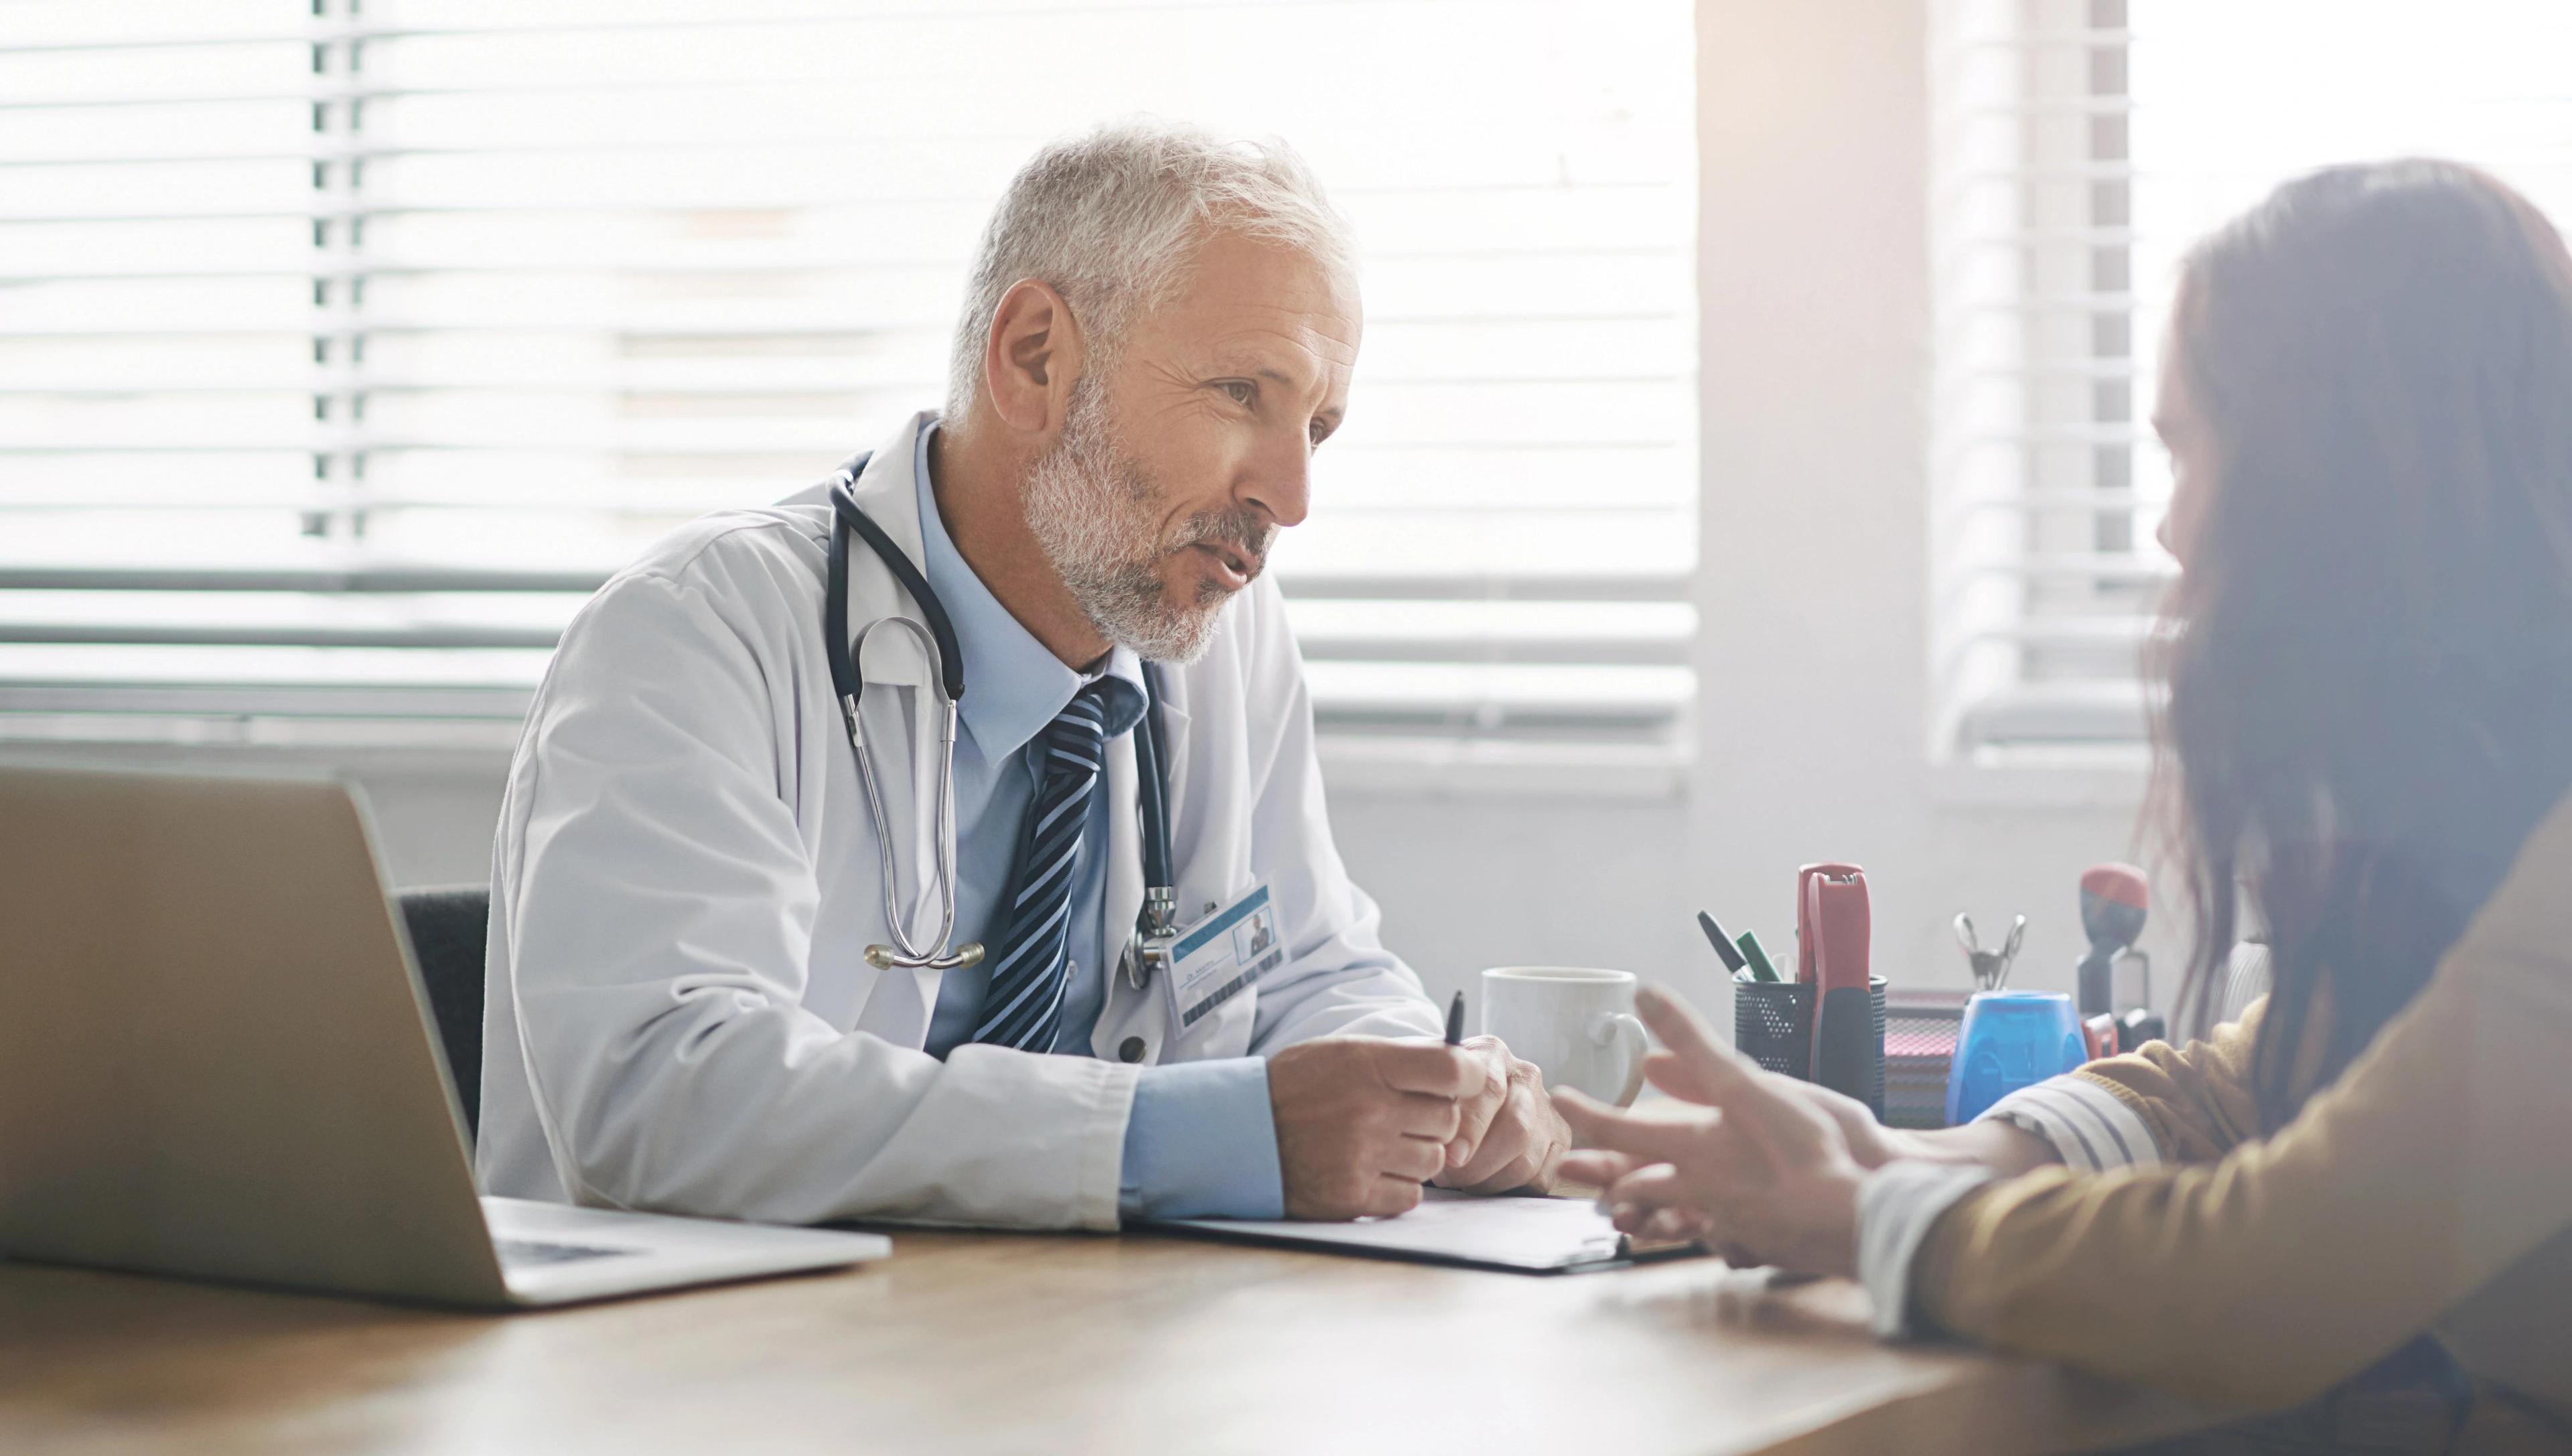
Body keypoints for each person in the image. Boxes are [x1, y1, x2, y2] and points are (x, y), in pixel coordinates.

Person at [1557, 159, 2572, 1445]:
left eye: (2193, 453)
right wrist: (1878, 1153)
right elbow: (2261, 1087)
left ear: (2347, 485)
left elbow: (2273, 1275)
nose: (2174, 534)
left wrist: (1864, 1219)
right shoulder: (2490, 819)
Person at [478, 119, 1568, 1230]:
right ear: (1036, 357)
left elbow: (1308, 970)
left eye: (1319, 428)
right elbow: (663, 1095)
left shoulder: (1223, 633)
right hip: (724, 1367)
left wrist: (1424, 1102)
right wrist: (1179, 1137)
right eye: (1244, 392)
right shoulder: (696, 634)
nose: (1290, 498)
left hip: (1072, 1347)